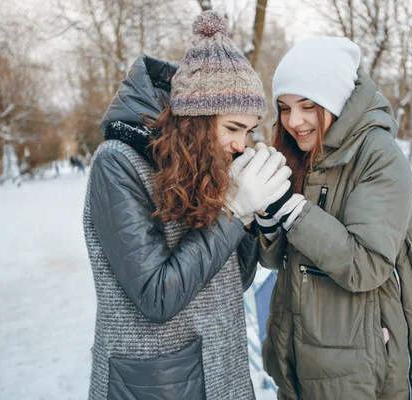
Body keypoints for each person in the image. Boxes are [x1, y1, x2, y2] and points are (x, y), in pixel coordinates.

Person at [83, 11, 291, 400]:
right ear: (195, 119)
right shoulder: (117, 163)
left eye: (248, 130)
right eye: (232, 128)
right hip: (158, 383)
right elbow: (156, 296)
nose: (241, 144)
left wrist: (253, 214)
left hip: (222, 373)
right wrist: (232, 213)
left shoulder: (207, 165)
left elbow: (232, 282)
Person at [254, 37, 412, 399]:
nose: (294, 121)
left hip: (363, 371)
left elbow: (367, 263)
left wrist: (291, 209)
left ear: (335, 99)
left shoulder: (379, 156)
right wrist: (267, 216)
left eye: (308, 106)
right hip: (300, 353)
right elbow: (274, 260)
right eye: (284, 107)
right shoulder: (301, 152)